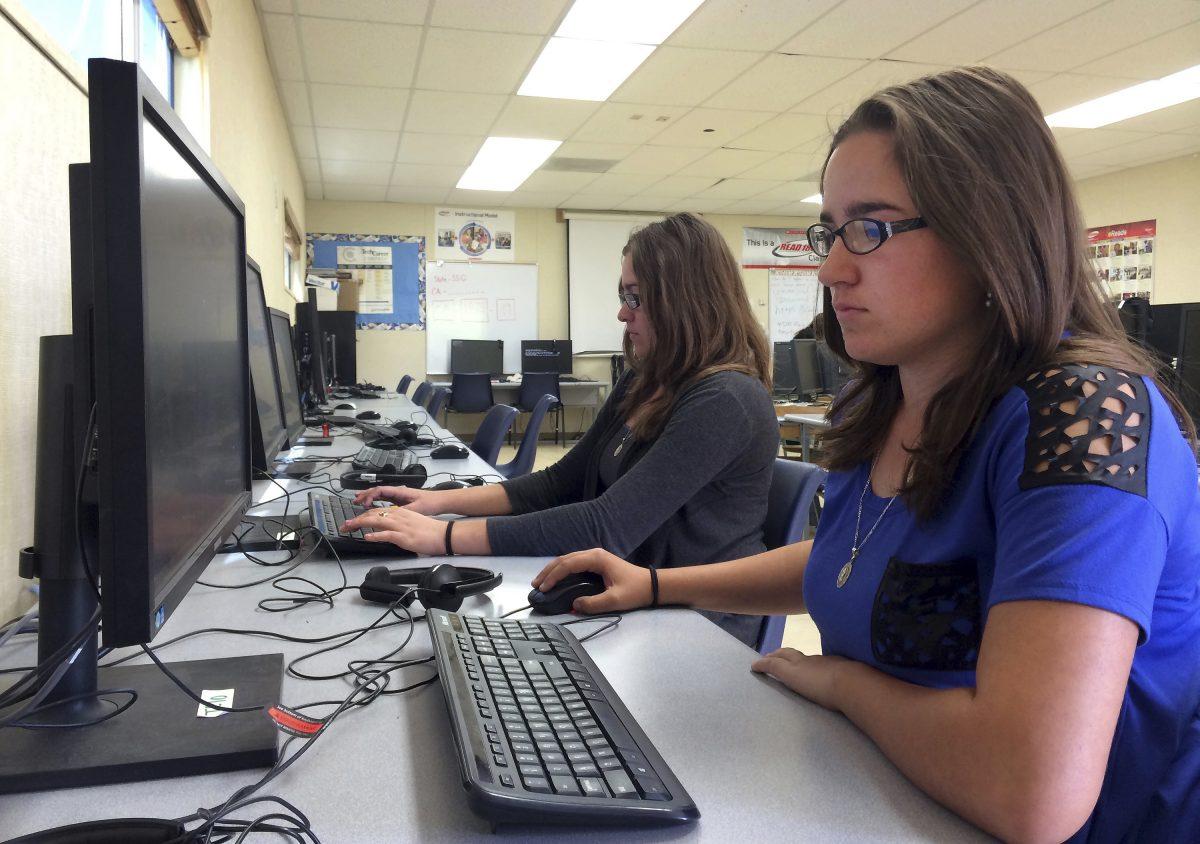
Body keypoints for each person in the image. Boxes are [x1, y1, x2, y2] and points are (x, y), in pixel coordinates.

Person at [531, 68, 1200, 842]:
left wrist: (846, 685)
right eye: (831, 231)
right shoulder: (882, 398)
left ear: (987, 232)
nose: (830, 268)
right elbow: (851, 558)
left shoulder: (1081, 416)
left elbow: (1032, 790)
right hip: (885, 803)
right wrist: (653, 585)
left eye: (870, 229)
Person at [344, 212, 779, 645]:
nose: (622, 314)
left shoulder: (726, 399)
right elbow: (559, 482)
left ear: (686, 302)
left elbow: (604, 526)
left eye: (636, 298)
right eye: (623, 296)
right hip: (629, 601)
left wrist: (445, 537)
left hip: (699, 628)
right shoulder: (646, 379)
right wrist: (436, 504)